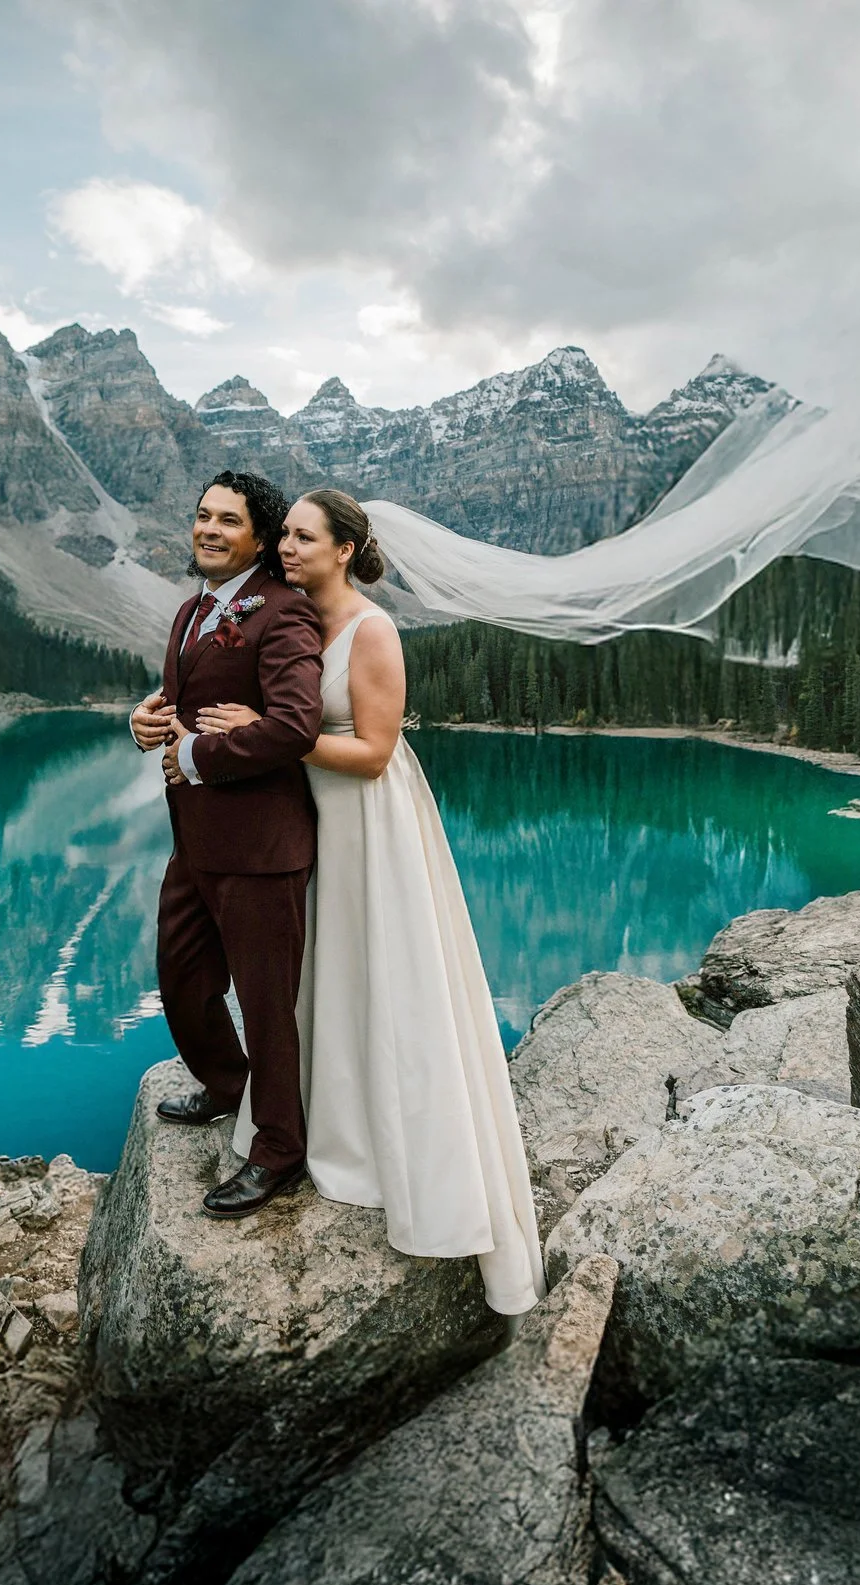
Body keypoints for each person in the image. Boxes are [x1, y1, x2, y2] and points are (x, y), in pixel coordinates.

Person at [193, 489, 545, 1315]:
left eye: (305, 538)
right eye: (282, 536)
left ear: (345, 548)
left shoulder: (372, 629)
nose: (286, 549)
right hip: (310, 825)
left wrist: (275, 732)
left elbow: (377, 749)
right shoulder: (290, 621)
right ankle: (320, 1121)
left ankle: (400, 1154)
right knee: (327, 979)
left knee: (387, 980)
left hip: (369, 824)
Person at [128, 471, 324, 1219]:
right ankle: (228, 1085)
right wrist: (146, 726)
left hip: (262, 848)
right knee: (181, 981)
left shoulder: (284, 615)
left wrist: (202, 757)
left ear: (259, 537)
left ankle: (279, 1147)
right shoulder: (188, 611)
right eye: (202, 515)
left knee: (268, 1004)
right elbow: (182, 708)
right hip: (195, 842)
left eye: (227, 520)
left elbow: (296, 725)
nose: (208, 529)